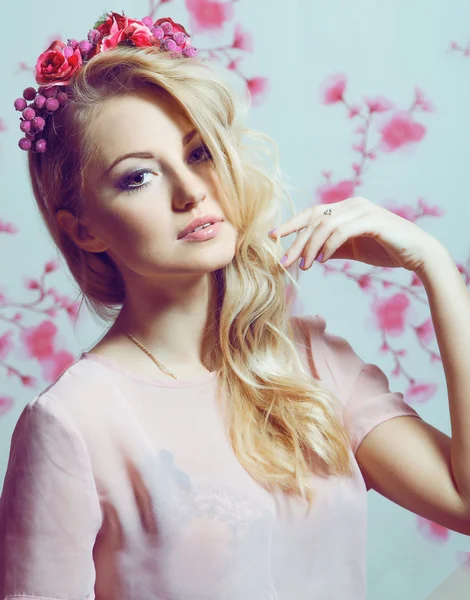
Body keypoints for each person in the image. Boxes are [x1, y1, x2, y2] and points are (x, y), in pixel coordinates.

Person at [1, 9, 469, 600]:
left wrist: (436, 270)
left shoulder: (311, 361)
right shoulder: (71, 423)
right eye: (138, 177)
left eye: (199, 153)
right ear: (84, 229)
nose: (192, 191)